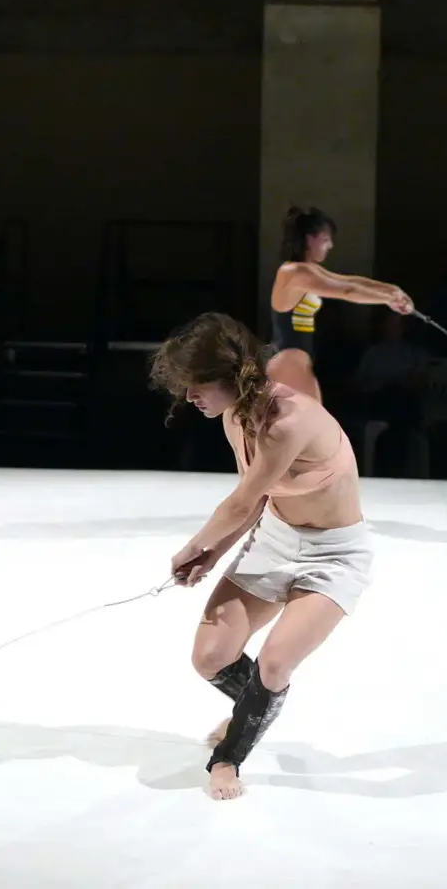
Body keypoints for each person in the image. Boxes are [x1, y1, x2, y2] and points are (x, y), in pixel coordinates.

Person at [149, 312, 374, 800]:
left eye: (197, 384)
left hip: (333, 555)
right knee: (210, 656)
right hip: (276, 538)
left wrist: (193, 546)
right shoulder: (235, 416)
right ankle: (257, 706)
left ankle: (228, 756)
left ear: (228, 376)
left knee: (273, 664)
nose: (189, 396)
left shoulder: (287, 421)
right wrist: (213, 554)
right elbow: (256, 500)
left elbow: (238, 503)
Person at [267, 205, 414, 402]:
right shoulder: (294, 272)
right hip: (288, 360)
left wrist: (392, 290)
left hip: (296, 359)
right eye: (326, 240)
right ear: (310, 239)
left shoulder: (309, 269)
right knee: (313, 419)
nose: (330, 246)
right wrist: (388, 299)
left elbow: (350, 281)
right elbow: (346, 291)